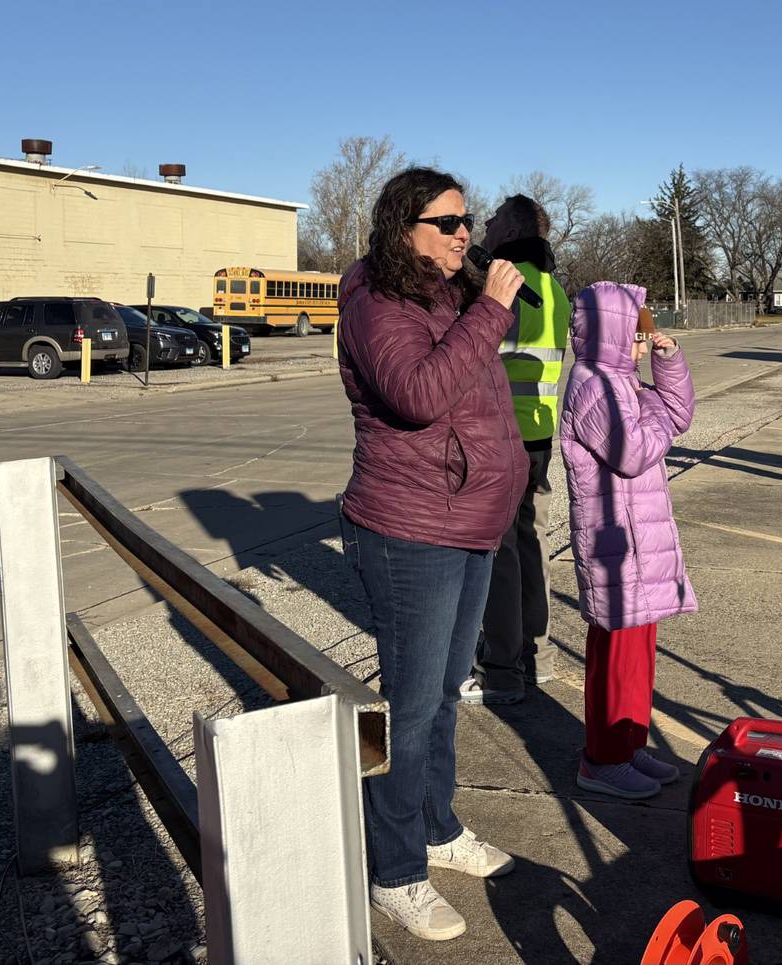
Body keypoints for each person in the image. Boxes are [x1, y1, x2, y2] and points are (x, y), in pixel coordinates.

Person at [336, 167, 527, 942]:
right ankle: (395, 870)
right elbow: (418, 393)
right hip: (410, 530)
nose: (464, 234)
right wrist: (488, 309)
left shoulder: (449, 297)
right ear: (401, 228)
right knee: (409, 710)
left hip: (472, 522)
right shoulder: (376, 302)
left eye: (467, 221)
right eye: (447, 223)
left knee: (446, 693)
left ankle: (439, 827)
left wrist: (483, 303)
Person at [560, 284, 697, 800]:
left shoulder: (624, 379)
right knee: (615, 653)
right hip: (614, 543)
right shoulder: (592, 383)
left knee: (639, 650)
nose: (644, 344)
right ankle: (601, 758)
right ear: (613, 332)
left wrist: (670, 364)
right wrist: (656, 413)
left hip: (643, 538)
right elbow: (633, 452)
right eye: (638, 336)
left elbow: (679, 415)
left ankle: (628, 743)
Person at [462, 195, 574, 705]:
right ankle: (539, 657)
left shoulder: (502, 286)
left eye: (489, 222)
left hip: (501, 434)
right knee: (532, 546)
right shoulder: (555, 289)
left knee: (501, 553)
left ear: (509, 230)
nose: (480, 228)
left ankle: (502, 670)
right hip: (539, 435)